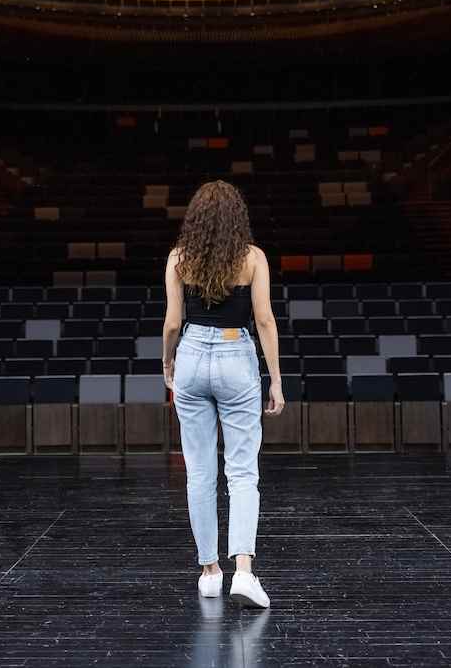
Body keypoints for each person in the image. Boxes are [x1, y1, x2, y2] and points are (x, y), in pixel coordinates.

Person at [163, 180, 285, 608]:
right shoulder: (253, 258)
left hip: (192, 354)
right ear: (238, 217)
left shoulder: (179, 258)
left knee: (199, 472)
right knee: (242, 472)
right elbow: (265, 320)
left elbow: (173, 324)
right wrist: (276, 379)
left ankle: (209, 572)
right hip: (236, 355)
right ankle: (244, 572)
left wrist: (168, 363)